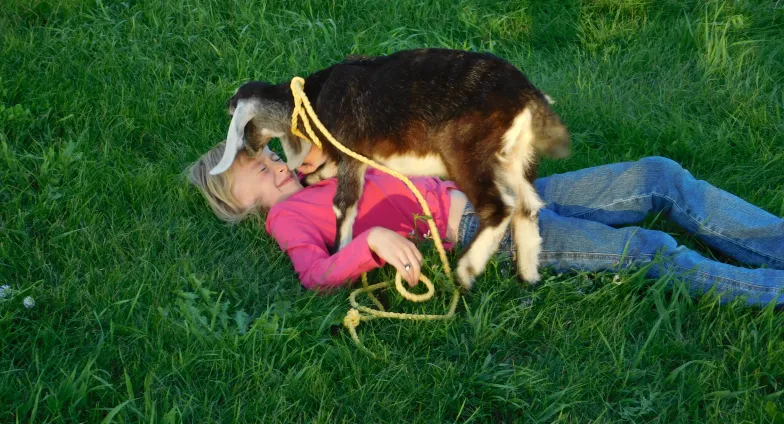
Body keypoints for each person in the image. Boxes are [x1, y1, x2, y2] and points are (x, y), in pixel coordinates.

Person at [188, 142, 784, 307]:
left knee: (659, 175)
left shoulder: (315, 166)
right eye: (254, 172)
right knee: (647, 249)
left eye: (262, 155)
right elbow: (315, 275)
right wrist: (370, 241)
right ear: (242, 207)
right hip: (480, 229)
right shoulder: (287, 218)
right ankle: (771, 290)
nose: (269, 164)